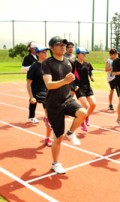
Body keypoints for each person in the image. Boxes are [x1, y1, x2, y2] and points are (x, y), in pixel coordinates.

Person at [42, 36, 87, 174]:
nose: (63, 47)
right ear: (51, 47)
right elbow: (49, 85)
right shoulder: (47, 63)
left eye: (64, 45)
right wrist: (65, 80)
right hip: (54, 103)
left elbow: (69, 80)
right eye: (59, 44)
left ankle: (71, 132)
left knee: (83, 113)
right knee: (58, 137)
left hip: (67, 98)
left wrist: (73, 85)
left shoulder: (68, 62)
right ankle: (55, 163)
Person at [26, 45, 52, 147]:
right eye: (42, 52)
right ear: (37, 54)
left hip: (48, 91)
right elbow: (28, 83)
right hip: (38, 93)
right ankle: (47, 118)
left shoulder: (48, 65)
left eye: (46, 52)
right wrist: (31, 97)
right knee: (49, 112)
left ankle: (48, 137)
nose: (45, 54)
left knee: (51, 116)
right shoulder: (34, 67)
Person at [72, 47, 96, 132]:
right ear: (77, 54)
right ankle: (81, 122)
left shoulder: (88, 64)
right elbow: (70, 75)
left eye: (85, 53)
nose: (84, 55)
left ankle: (85, 117)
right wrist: (73, 86)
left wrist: (92, 77)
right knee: (85, 106)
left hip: (88, 87)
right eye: (82, 53)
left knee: (93, 104)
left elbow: (90, 72)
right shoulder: (73, 64)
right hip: (79, 87)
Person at [22, 41, 39, 123]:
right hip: (32, 79)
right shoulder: (27, 58)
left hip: (40, 80)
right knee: (33, 98)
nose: (36, 49)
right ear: (30, 49)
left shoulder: (39, 56)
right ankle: (31, 116)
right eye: (34, 48)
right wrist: (32, 66)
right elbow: (23, 69)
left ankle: (48, 115)